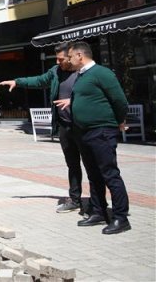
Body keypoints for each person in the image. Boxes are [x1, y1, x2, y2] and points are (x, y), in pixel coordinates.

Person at [56, 41, 131, 235]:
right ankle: (98, 211)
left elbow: (120, 101)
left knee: (109, 174)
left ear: (80, 56)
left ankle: (121, 218)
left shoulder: (102, 73)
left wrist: (119, 120)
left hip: (101, 131)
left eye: (71, 56)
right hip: (84, 132)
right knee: (93, 174)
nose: (69, 60)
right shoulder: (82, 76)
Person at [0, 42, 83, 213]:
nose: (58, 62)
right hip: (65, 126)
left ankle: (97, 204)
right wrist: (17, 81)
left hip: (84, 125)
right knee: (72, 164)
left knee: (93, 164)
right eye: (56, 59)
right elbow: (39, 80)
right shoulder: (55, 72)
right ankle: (75, 199)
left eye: (61, 59)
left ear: (72, 55)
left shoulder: (84, 71)